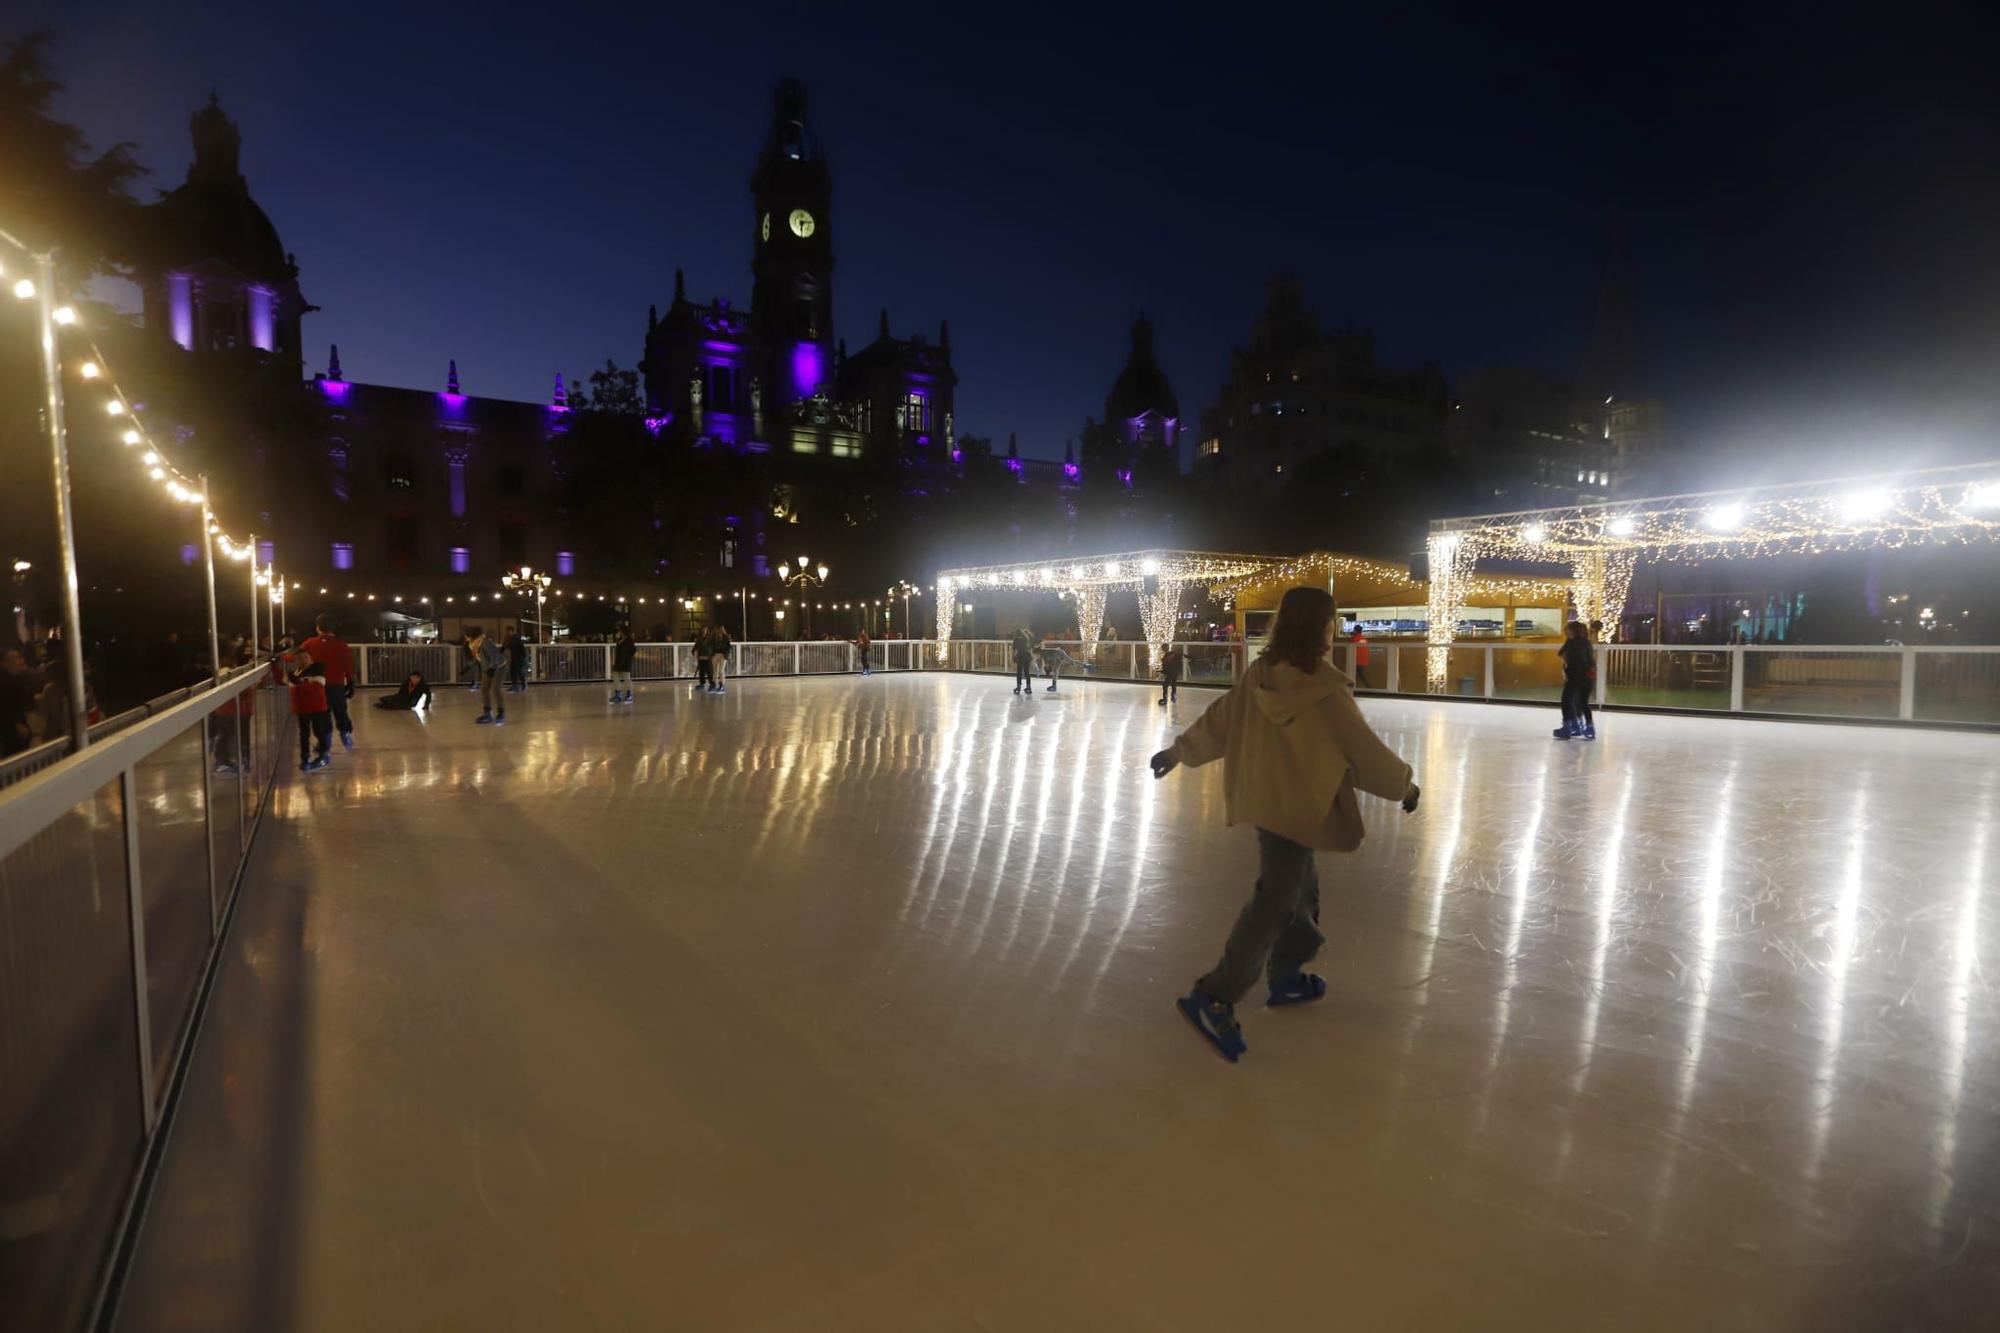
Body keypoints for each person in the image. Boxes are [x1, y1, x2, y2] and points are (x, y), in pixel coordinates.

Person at [1149, 586, 1420, 1063]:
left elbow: (1221, 721)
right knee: (1276, 897)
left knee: (1299, 889)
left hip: (1266, 799)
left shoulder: (1262, 674)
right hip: (1299, 807)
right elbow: (1364, 751)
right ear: (1322, 628)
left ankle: (1287, 973)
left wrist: (1179, 751)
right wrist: (1405, 787)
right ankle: (1216, 994)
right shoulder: (1325, 691)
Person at [298, 616, 356, 750]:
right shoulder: (341, 644)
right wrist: (351, 682)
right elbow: (348, 665)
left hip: (317, 686)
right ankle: (345, 735)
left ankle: (324, 742)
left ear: (317, 627)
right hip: (336, 685)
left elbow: (299, 659)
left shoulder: (309, 644)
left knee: (322, 714)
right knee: (341, 711)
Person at [284, 648, 334, 771]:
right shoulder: (295, 673)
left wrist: (299, 683)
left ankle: (324, 755)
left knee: (319, 731)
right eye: (300, 658)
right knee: (304, 734)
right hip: (302, 708)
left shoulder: (317, 669)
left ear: (311, 658)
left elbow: (315, 688)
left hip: (317, 707)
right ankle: (304, 758)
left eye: (306, 657)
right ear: (296, 660)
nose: (304, 660)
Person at [1555, 619, 1596, 741]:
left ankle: (1568, 726)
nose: (1565, 632)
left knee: (1566, 701)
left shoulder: (1573, 643)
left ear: (1572, 631)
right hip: (1588, 676)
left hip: (1576, 676)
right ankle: (1587, 727)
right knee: (1582, 702)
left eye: (1567, 630)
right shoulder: (1586, 642)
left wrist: (1568, 668)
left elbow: (1566, 656)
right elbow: (1562, 653)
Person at [466, 627, 507, 724]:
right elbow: (480, 657)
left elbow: (495, 656)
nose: (465, 638)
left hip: (499, 667)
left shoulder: (485, 643)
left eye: (466, 636)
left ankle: (501, 714)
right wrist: (468, 666)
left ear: (471, 636)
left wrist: (492, 668)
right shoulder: (474, 644)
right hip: (487, 668)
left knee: (495, 690)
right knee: (484, 689)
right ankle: (487, 714)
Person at [1, 648, 37, 757]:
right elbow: (4, 705)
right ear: (4, 662)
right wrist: (16, 724)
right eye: (14, 658)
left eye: (19, 657)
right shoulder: (5, 680)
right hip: (11, 727)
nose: (19, 661)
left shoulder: (17, 677)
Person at [610, 630, 636, 703]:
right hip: (618, 663)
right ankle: (618, 695)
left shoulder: (629, 640)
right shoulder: (620, 640)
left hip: (625, 663)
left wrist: (626, 658)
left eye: (620, 632)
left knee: (627, 679)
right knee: (615, 677)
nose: (618, 633)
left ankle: (629, 695)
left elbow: (633, 650)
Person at [1011, 627, 1035, 695]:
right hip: (1027, 657)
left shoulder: (1016, 639)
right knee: (1027, 672)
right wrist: (1032, 656)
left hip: (1020, 657)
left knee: (1019, 672)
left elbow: (1016, 650)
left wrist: (1014, 657)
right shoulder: (1026, 639)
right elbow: (1030, 649)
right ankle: (1028, 687)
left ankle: (1018, 688)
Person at [708, 625, 731, 694]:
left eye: (721, 629)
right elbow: (711, 645)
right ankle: (714, 684)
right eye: (718, 629)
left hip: (723, 655)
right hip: (715, 655)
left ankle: (722, 684)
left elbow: (729, 647)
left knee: (721, 670)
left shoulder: (726, 637)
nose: (719, 631)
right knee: (715, 670)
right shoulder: (714, 637)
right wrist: (712, 654)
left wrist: (726, 655)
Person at [1348, 622, 1372, 689]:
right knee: (1359, 675)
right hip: (1363, 660)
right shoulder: (1364, 639)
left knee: (1357, 675)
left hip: (1356, 660)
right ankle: (1365, 687)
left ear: (1355, 630)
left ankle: (1368, 687)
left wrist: (1352, 636)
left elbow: (1350, 649)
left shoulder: (1354, 638)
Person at [505, 628, 529, 692]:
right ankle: (515, 685)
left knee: (518, 671)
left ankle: (523, 685)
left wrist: (524, 656)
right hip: (513, 658)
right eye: (507, 632)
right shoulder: (509, 639)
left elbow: (521, 646)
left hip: (518, 658)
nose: (508, 633)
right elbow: (505, 646)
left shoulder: (516, 638)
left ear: (512, 631)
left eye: (509, 631)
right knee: (513, 671)